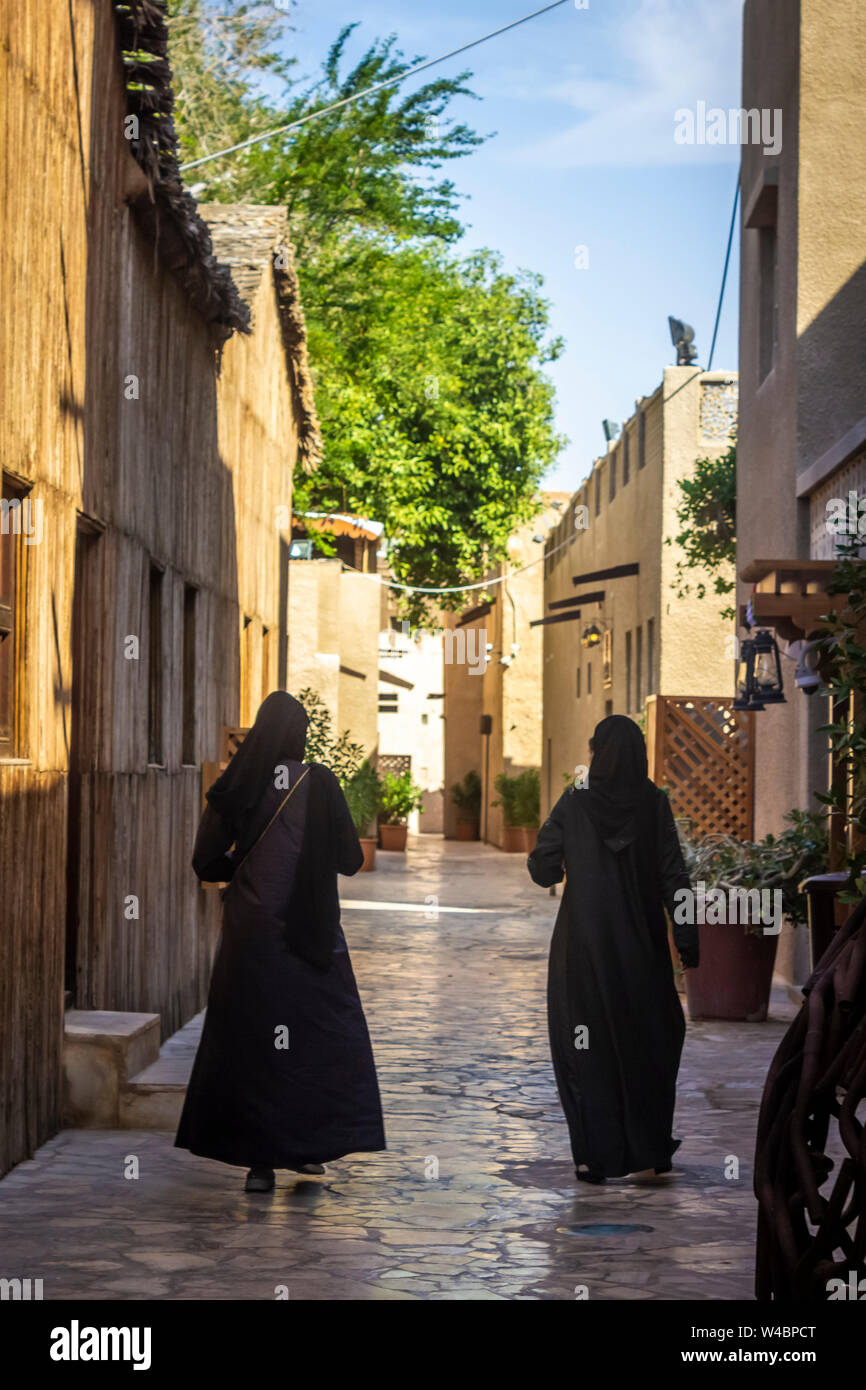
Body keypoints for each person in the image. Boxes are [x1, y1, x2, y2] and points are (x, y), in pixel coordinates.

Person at [175, 691, 386, 1192]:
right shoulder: (320, 782)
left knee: (250, 1041)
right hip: (308, 935)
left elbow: (206, 860)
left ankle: (259, 1165)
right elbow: (351, 859)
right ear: (301, 734)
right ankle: (306, 1148)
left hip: (250, 937)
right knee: (311, 1039)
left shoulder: (239, 783)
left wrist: (245, 873)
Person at [527, 714, 697, 1184]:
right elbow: (674, 878)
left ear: (598, 752)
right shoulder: (653, 803)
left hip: (582, 949)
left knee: (584, 1045)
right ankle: (647, 1151)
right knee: (651, 1042)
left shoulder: (575, 802)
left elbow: (542, 867)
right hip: (641, 950)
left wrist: (562, 863)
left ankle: (592, 1156)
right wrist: (688, 943)